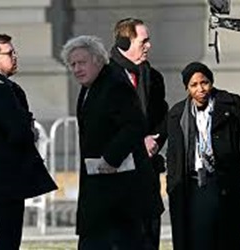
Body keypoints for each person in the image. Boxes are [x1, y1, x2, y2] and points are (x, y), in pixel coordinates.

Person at [61, 35, 159, 250]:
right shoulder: (91, 87)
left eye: (81, 62)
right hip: (102, 188)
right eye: (73, 64)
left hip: (121, 189)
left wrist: (110, 159)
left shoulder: (114, 84)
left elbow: (134, 125)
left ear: (97, 60)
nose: (76, 69)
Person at [0, 34, 57, 250]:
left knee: (2, 237)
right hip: (3, 182)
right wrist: (30, 131)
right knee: (7, 240)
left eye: (14, 52)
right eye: (8, 53)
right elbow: (19, 133)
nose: (15, 57)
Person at [167, 61, 240, 250]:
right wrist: (172, 184)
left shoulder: (230, 103)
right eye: (194, 85)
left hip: (226, 183)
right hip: (194, 187)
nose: (200, 89)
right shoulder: (178, 114)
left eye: (205, 83)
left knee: (229, 240)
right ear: (187, 88)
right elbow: (173, 154)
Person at [109, 17, 169, 249]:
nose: (149, 46)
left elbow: (161, 116)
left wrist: (154, 142)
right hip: (118, 174)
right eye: (143, 40)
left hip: (147, 173)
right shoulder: (105, 77)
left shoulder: (153, 77)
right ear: (125, 43)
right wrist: (137, 143)